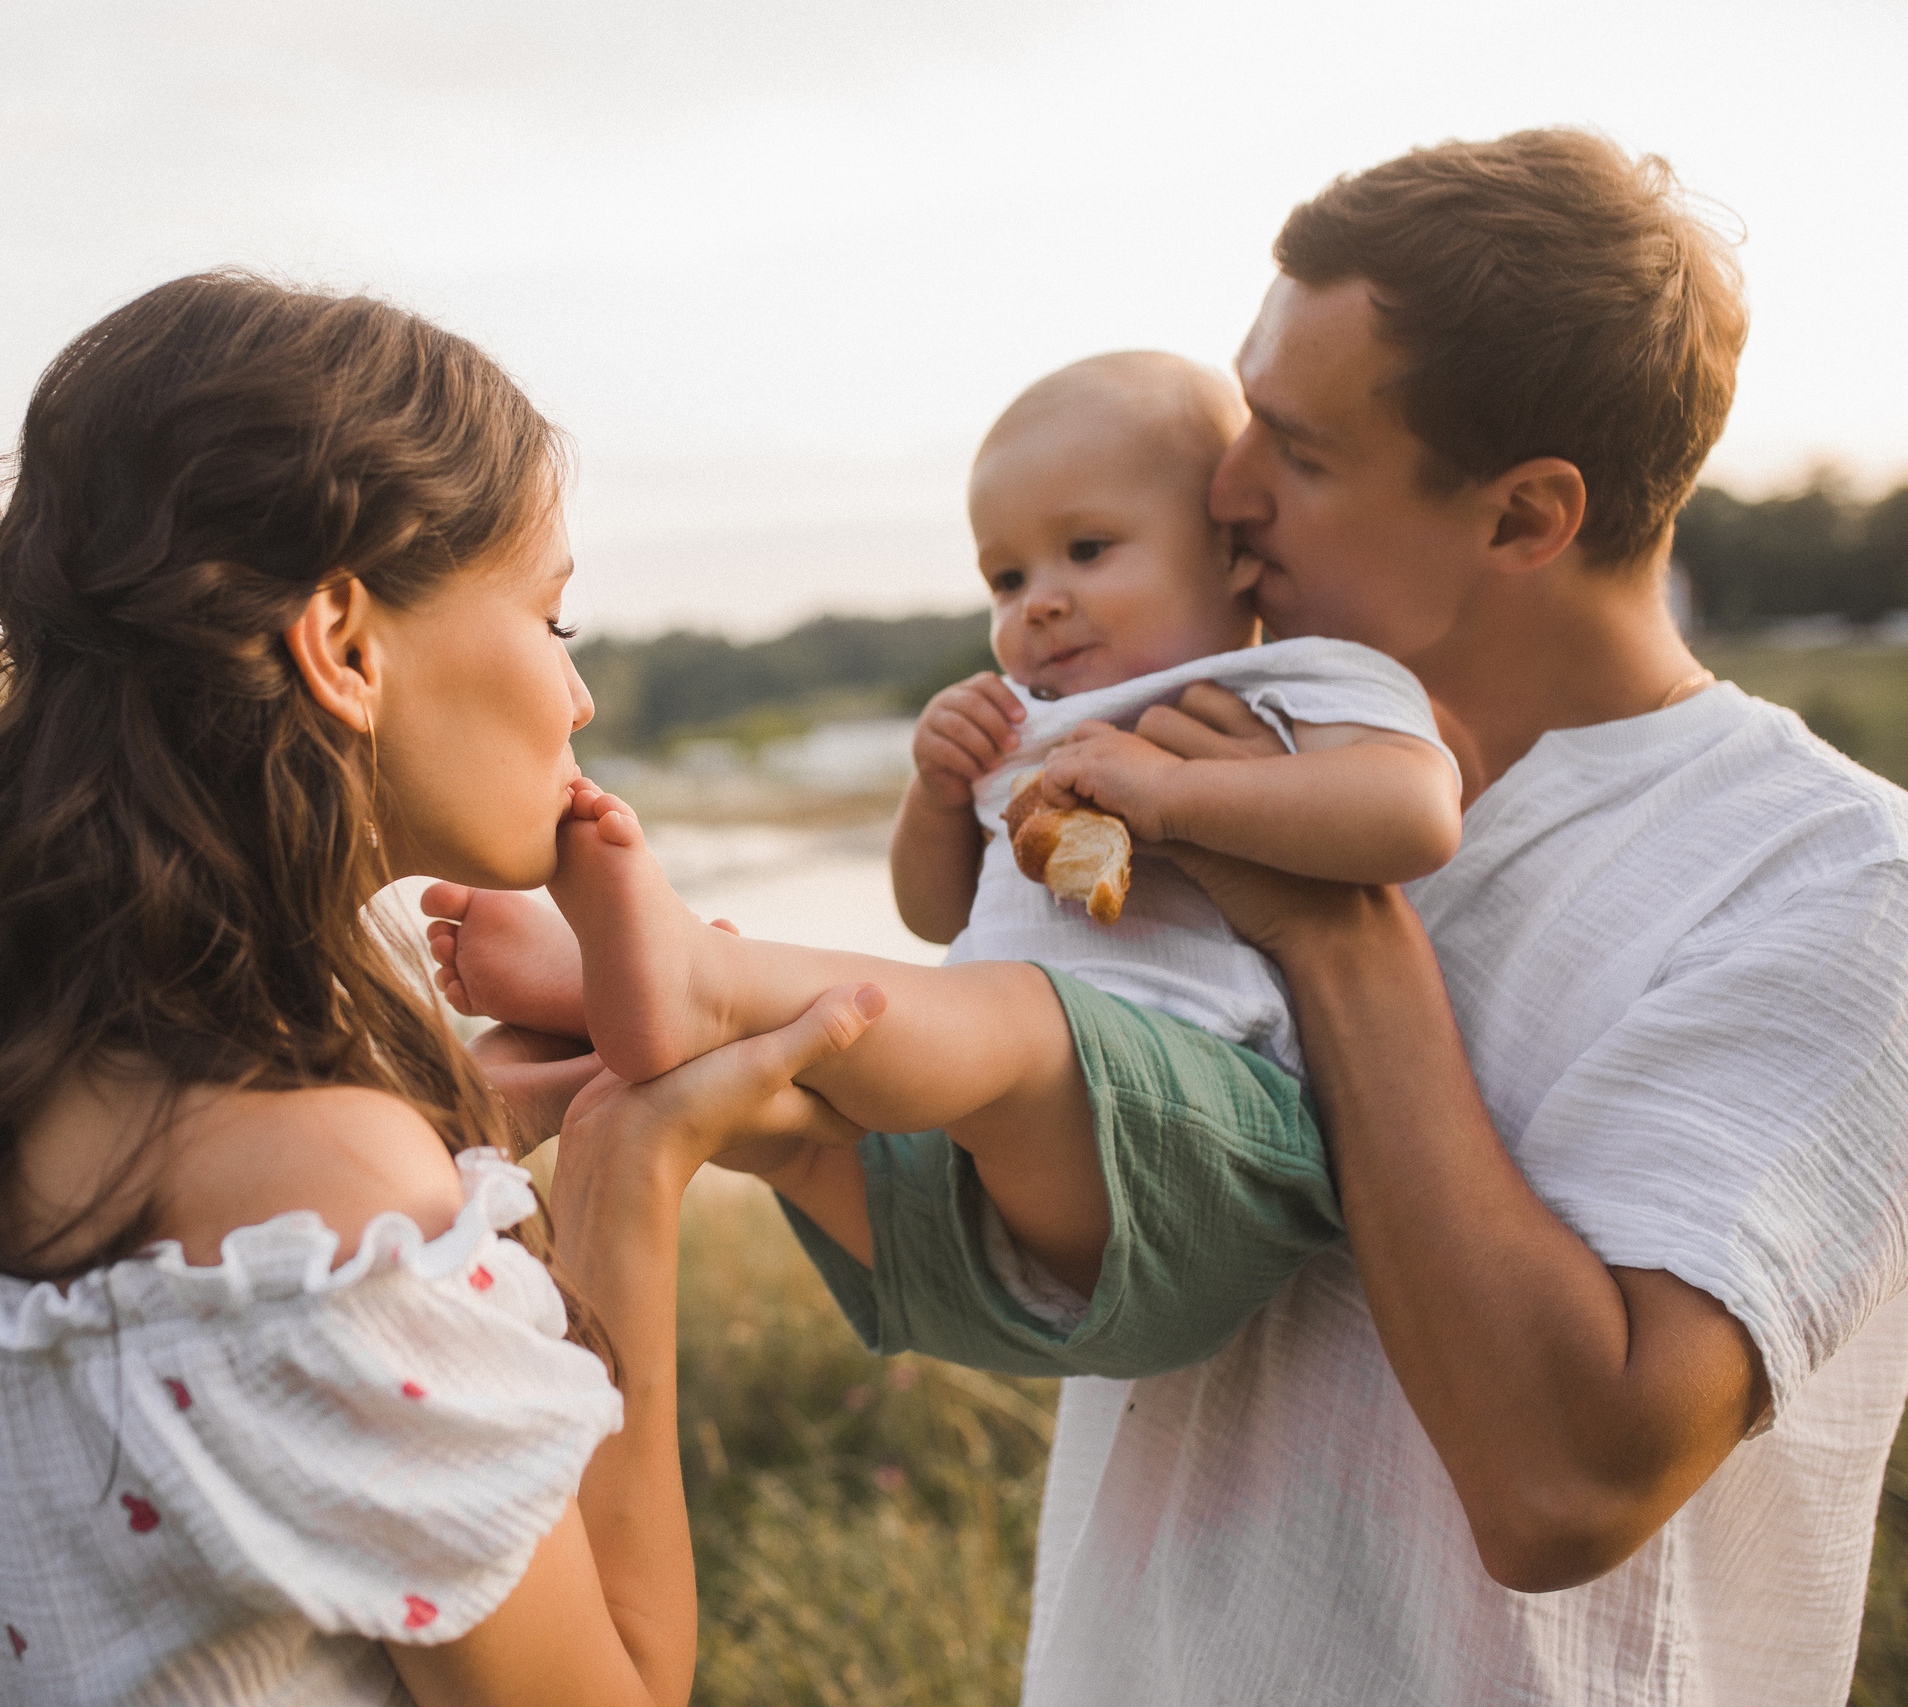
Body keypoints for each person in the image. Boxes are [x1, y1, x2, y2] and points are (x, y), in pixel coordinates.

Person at [779, 130, 1908, 1703]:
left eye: (1297, 452)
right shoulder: (1215, 748)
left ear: (1524, 517)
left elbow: (1566, 1486)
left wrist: (1333, 931)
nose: (1226, 488)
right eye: (1247, 417)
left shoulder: (1832, 881)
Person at [0, 272, 883, 1707]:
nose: (576, 696)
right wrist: (630, 1164)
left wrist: (462, 1124)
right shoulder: (332, 1196)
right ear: (346, 644)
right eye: (556, 619)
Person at [422, 349, 1463, 1377]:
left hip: (1209, 1150)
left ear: (1233, 551)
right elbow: (933, 910)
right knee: (804, 1122)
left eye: (1088, 550)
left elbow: (1413, 814)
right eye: (1006, 578)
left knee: (996, 1023)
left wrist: (1177, 796)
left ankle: (697, 974)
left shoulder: (1286, 676)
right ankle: (613, 1036)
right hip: (981, 1225)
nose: (1039, 602)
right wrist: (938, 795)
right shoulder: (1020, 722)